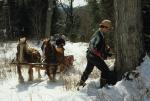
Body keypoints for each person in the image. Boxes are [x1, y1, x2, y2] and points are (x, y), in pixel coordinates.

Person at [77, 19, 116, 88]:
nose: (108, 30)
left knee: (88, 70)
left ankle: (80, 83)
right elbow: (92, 47)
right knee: (105, 70)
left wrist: (106, 51)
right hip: (93, 56)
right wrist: (101, 54)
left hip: (91, 55)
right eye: (108, 29)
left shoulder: (101, 34)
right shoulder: (98, 35)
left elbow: (99, 45)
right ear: (104, 27)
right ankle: (103, 87)